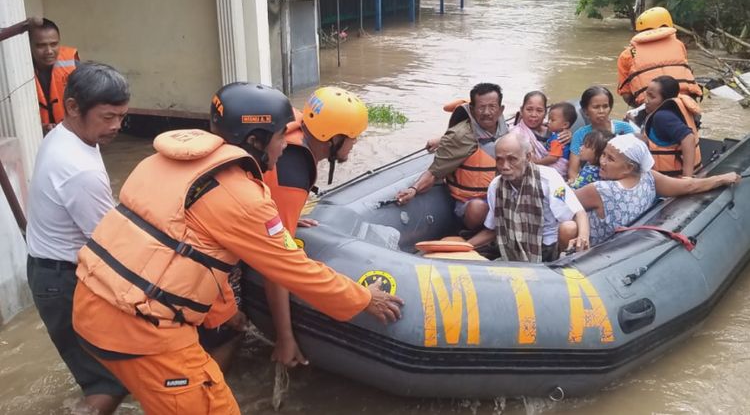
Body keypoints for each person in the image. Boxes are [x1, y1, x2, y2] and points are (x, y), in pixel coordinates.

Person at [72, 82, 403, 414]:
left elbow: (182, 252)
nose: (285, 147)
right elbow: (296, 270)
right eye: (279, 138)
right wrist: (364, 298)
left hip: (90, 307)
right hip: (140, 329)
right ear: (255, 141)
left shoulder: (159, 164)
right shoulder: (243, 198)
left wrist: (223, 312)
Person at [200, 86, 369, 371]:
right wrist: (285, 337)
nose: (354, 145)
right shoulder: (291, 172)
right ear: (333, 138)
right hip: (209, 249)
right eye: (352, 138)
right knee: (228, 333)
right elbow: (277, 266)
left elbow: (268, 194)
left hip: (214, 212)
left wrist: (285, 214)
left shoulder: (293, 125)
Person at [26, 62, 130, 414]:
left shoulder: (65, 135)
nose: (116, 125)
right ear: (72, 107)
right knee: (111, 381)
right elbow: (112, 246)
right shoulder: (78, 169)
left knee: (99, 374)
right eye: (107, 117)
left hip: (51, 271)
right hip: (63, 282)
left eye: (121, 116)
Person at [574, 134, 740, 245]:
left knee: (568, 226)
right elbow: (688, 186)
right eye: (603, 155)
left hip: (595, 249)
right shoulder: (649, 177)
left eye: (610, 159)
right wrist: (721, 178)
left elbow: (563, 202)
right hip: (624, 244)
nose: (602, 161)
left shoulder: (600, 190)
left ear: (629, 167)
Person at [396, 83, 508, 230]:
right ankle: (475, 237)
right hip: (471, 203)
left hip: (501, 198)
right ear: (473, 110)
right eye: (481, 107)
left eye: (492, 107)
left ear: (500, 110)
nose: (487, 112)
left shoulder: (506, 130)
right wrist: (413, 189)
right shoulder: (459, 137)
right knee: (477, 207)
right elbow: (434, 172)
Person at [467, 133, 590, 262]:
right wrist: (465, 247)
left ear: (528, 157)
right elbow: (492, 229)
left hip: (547, 247)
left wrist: (583, 236)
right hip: (512, 246)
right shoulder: (496, 186)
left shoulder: (549, 179)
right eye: (499, 159)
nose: (505, 166)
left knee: (569, 227)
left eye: (512, 159)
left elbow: (578, 213)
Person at [617, 7, 702, 108]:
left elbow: (626, 94)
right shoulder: (679, 45)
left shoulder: (628, 54)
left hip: (650, 107)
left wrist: (637, 106)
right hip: (685, 103)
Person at [568, 86, 634, 181]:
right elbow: (573, 171)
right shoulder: (580, 134)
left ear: (610, 108)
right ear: (585, 111)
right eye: (596, 107)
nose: (601, 111)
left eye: (605, 106)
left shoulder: (624, 129)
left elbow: (633, 163)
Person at [642, 75, 701, 177]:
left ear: (665, 99)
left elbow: (688, 138)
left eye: (652, 97)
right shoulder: (678, 106)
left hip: (670, 180)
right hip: (697, 170)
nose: (646, 100)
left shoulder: (662, 117)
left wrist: (687, 179)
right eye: (646, 94)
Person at [30, 18, 79, 133]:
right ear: (29, 45)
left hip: (70, 132)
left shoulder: (74, 65)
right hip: (34, 135)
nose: (49, 51)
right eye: (41, 46)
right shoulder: (18, 71)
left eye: (54, 44)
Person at [542, 102, 577, 177]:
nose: (548, 122)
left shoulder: (559, 138)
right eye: (549, 119)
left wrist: (536, 162)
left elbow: (553, 158)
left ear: (565, 125)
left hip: (557, 168)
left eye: (552, 120)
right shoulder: (556, 133)